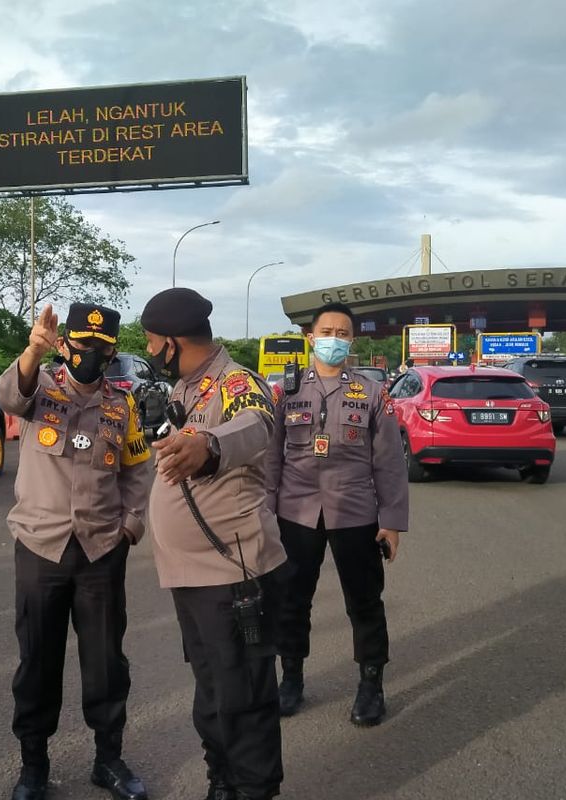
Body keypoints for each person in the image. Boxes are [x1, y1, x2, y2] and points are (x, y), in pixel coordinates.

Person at [0, 302, 153, 800]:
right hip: (41, 547)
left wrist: (130, 526)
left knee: (107, 662)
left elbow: (138, 470)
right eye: (82, 346)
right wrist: (31, 350)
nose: (91, 356)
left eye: (102, 349)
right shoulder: (40, 386)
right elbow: (8, 397)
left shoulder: (120, 404)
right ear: (65, 344)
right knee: (37, 660)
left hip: (101, 548)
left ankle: (108, 760)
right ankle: (34, 767)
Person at [142, 287, 288, 800]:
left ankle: (254, 789)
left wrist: (208, 445)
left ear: (172, 341)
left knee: (243, 695)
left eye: (152, 342)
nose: (150, 351)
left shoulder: (236, 381)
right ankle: (222, 780)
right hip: (192, 576)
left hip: (232, 573)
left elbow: (256, 424)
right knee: (211, 692)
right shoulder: (185, 388)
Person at [265, 301, 409, 726]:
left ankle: (371, 686)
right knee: (292, 601)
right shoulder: (286, 391)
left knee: (364, 603)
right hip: (295, 511)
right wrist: (266, 513)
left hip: (355, 512)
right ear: (311, 337)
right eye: (326, 331)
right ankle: (290, 680)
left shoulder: (370, 393)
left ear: (351, 340)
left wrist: (392, 521)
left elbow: (389, 462)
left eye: (342, 333)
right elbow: (272, 458)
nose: (333, 339)